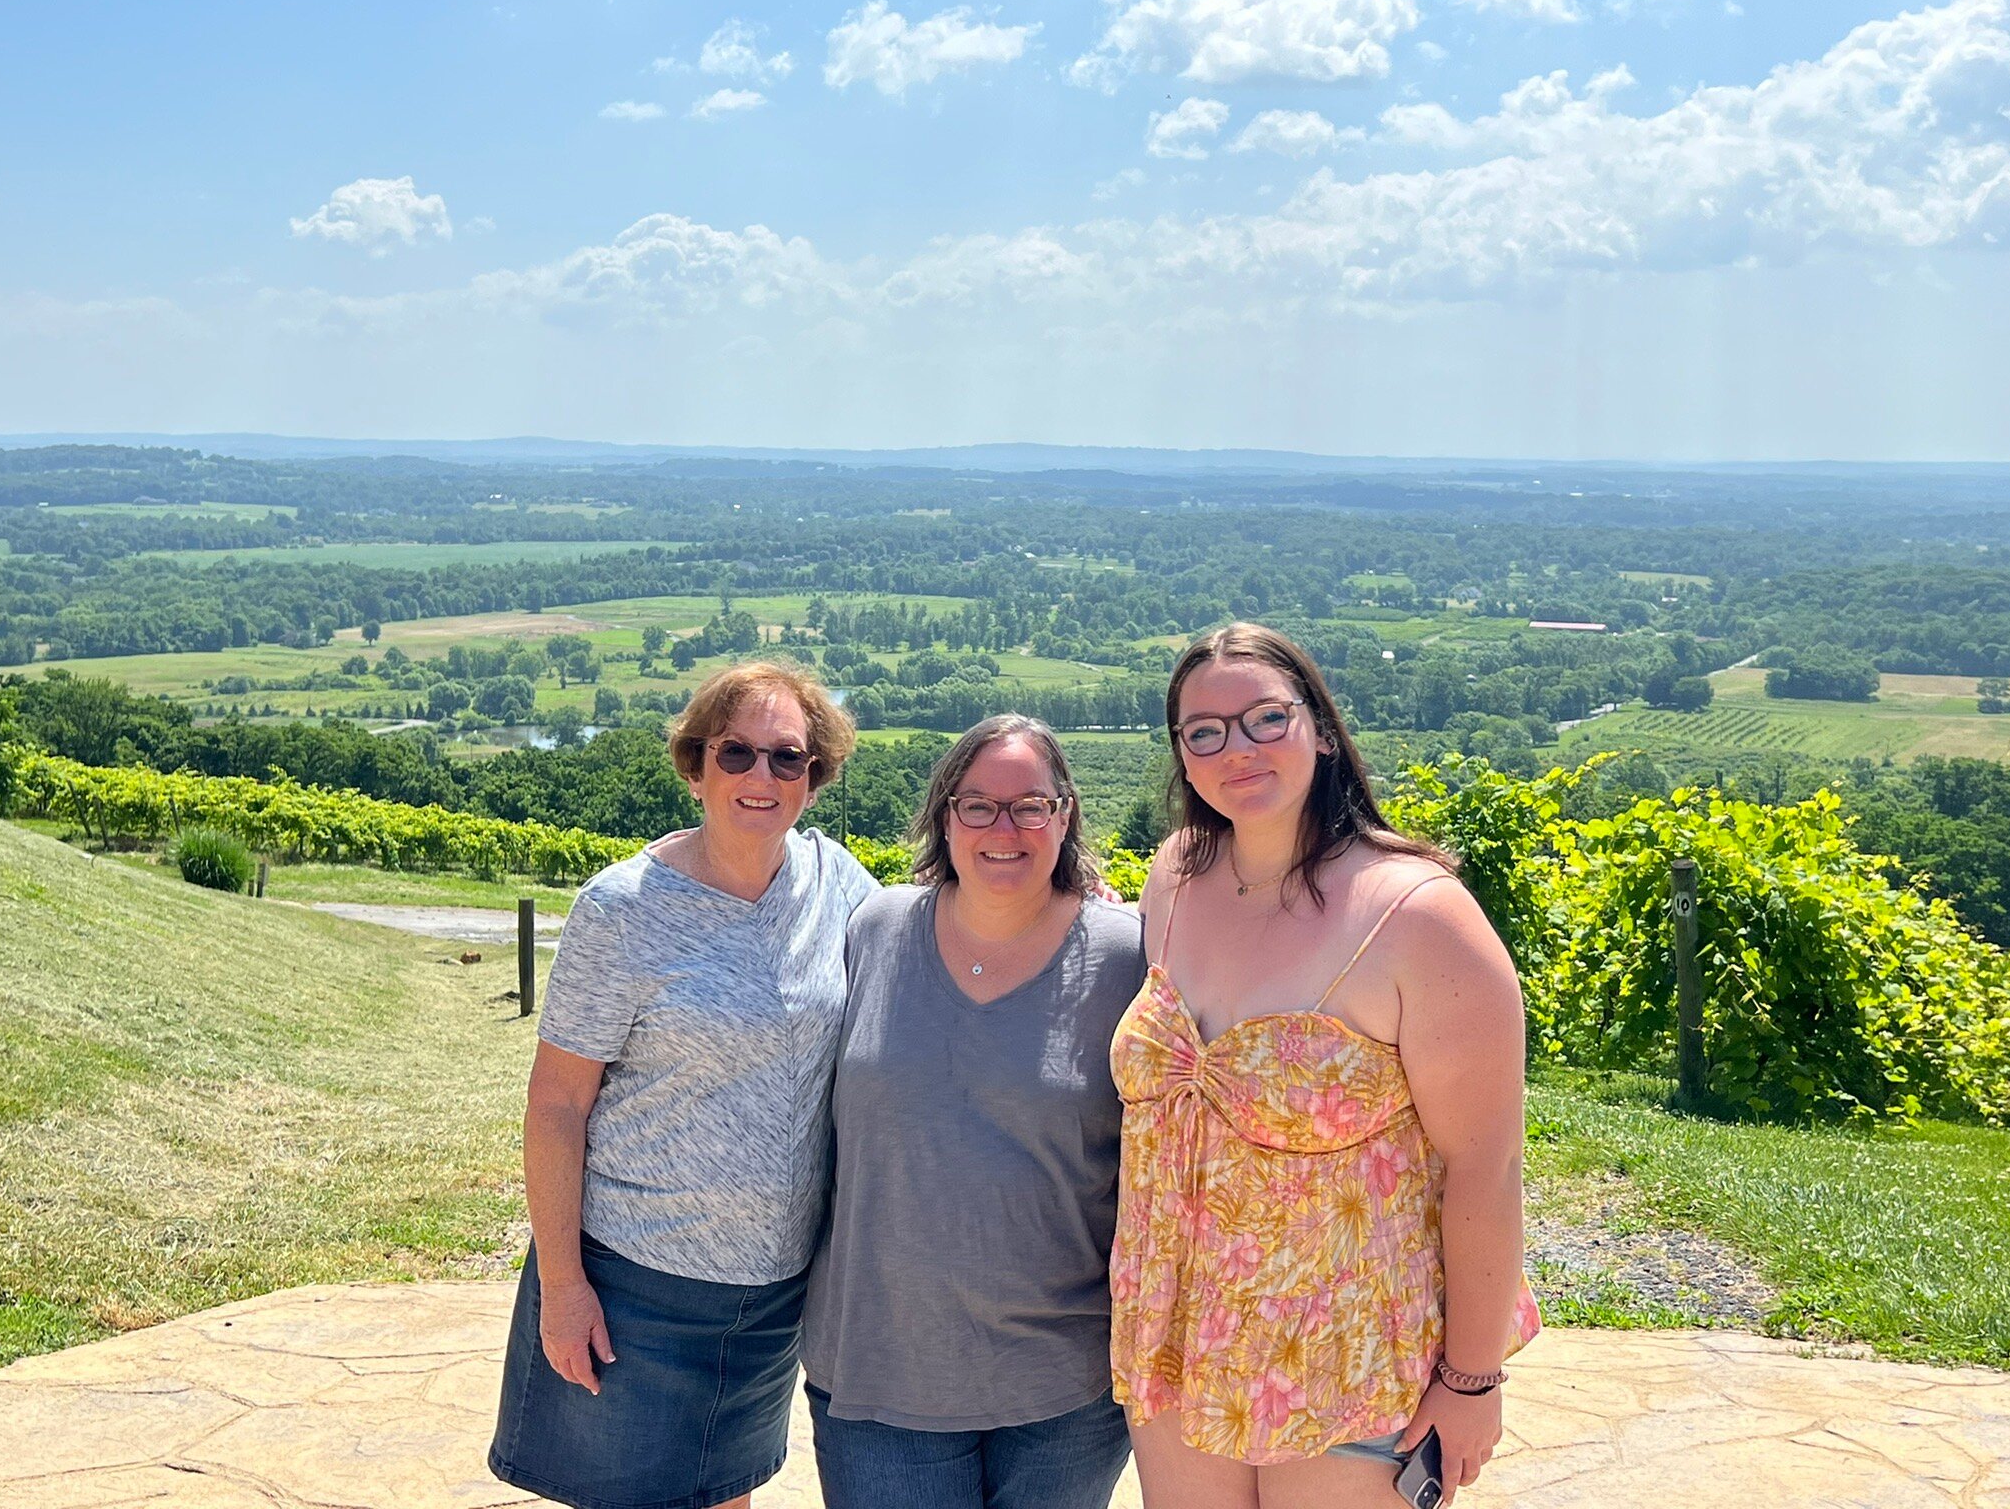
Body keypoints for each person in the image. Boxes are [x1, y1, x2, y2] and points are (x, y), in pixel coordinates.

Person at [1110, 623, 1541, 1509]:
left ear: (1321, 728)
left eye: (1266, 718)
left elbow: (1486, 1173)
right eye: (1205, 731)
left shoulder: (1419, 919)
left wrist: (1472, 1381)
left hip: (1350, 1357)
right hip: (1181, 1341)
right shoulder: (1175, 880)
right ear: (1181, 756)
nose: (1238, 748)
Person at [489, 659, 877, 1509]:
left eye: (788, 758)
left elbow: (931, 938)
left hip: (771, 1290)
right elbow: (557, 1103)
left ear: (815, 776)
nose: (762, 776)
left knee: (727, 1494)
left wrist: (1078, 902)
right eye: (736, 754)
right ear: (696, 765)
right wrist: (563, 1285)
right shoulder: (623, 910)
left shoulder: (837, 884)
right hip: (636, 1286)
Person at [803, 714, 1144, 1509]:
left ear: (1065, 816)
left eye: (1031, 805)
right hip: (880, 1371)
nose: (1005, 827)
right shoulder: (876, 930)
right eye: (978, 805)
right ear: (944, 815)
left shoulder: (1131, 954)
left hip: (1067, 1386)